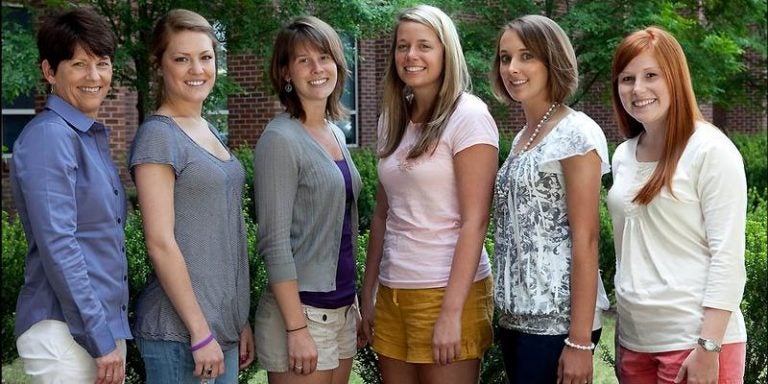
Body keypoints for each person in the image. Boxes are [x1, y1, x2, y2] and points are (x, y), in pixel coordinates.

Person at [359, 5, 499, 383]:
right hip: (393, 291)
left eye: (424, 45)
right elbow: (382, 215)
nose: (411, 56)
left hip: (448, 291)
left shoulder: (468, 116)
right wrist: (368, 291)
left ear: (445, 52)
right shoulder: (391, 117)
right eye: (402, 46)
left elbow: (476, 220)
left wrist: (452, 313)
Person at [608, 26, 747, 384]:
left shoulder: (710, 150)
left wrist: (708, 347)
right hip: (634, 342)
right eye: (627, 78)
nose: (637, 89)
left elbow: (728, 258)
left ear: (675, 78)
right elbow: (630, 254)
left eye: (650, 75)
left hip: (694, 343)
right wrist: (623, 335)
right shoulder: (623, 155)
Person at [129, 9, 253, 384]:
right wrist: (201, 333)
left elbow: (223, 233)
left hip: (222, 331)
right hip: (181, 335)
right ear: (160, 65)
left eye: (205, 57)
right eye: (182, 59)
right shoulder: (158, 135)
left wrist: (238, 320)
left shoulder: (208, 129)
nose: (196, 69)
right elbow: (160, 242)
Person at [10, 7, 130, 384]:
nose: (94, 77)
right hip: (65, 333)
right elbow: (59, 244)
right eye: (79, 64)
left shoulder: (86, 137)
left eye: (103, 63)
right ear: (49, 71)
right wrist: (100, 338)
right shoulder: (51, 137)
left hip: (98, 331)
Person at [490, 15, 610, 384]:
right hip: (514, 320)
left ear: (552, 60)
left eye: (527, 56)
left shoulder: (576, 133)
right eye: (505, 57)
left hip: (557, 327)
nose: (513, 68)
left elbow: (586, 238)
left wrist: (578, 342)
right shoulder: (522, 137)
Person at [251, 15, 363, 384]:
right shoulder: (279, 139)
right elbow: (274, 241)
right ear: (286, 73)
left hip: (342, 310)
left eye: (325, 57)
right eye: (304, 60)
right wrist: (296, 329)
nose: (317, 68)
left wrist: (356, 305)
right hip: (303, 315)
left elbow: (342, 229)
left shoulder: (333, 132)